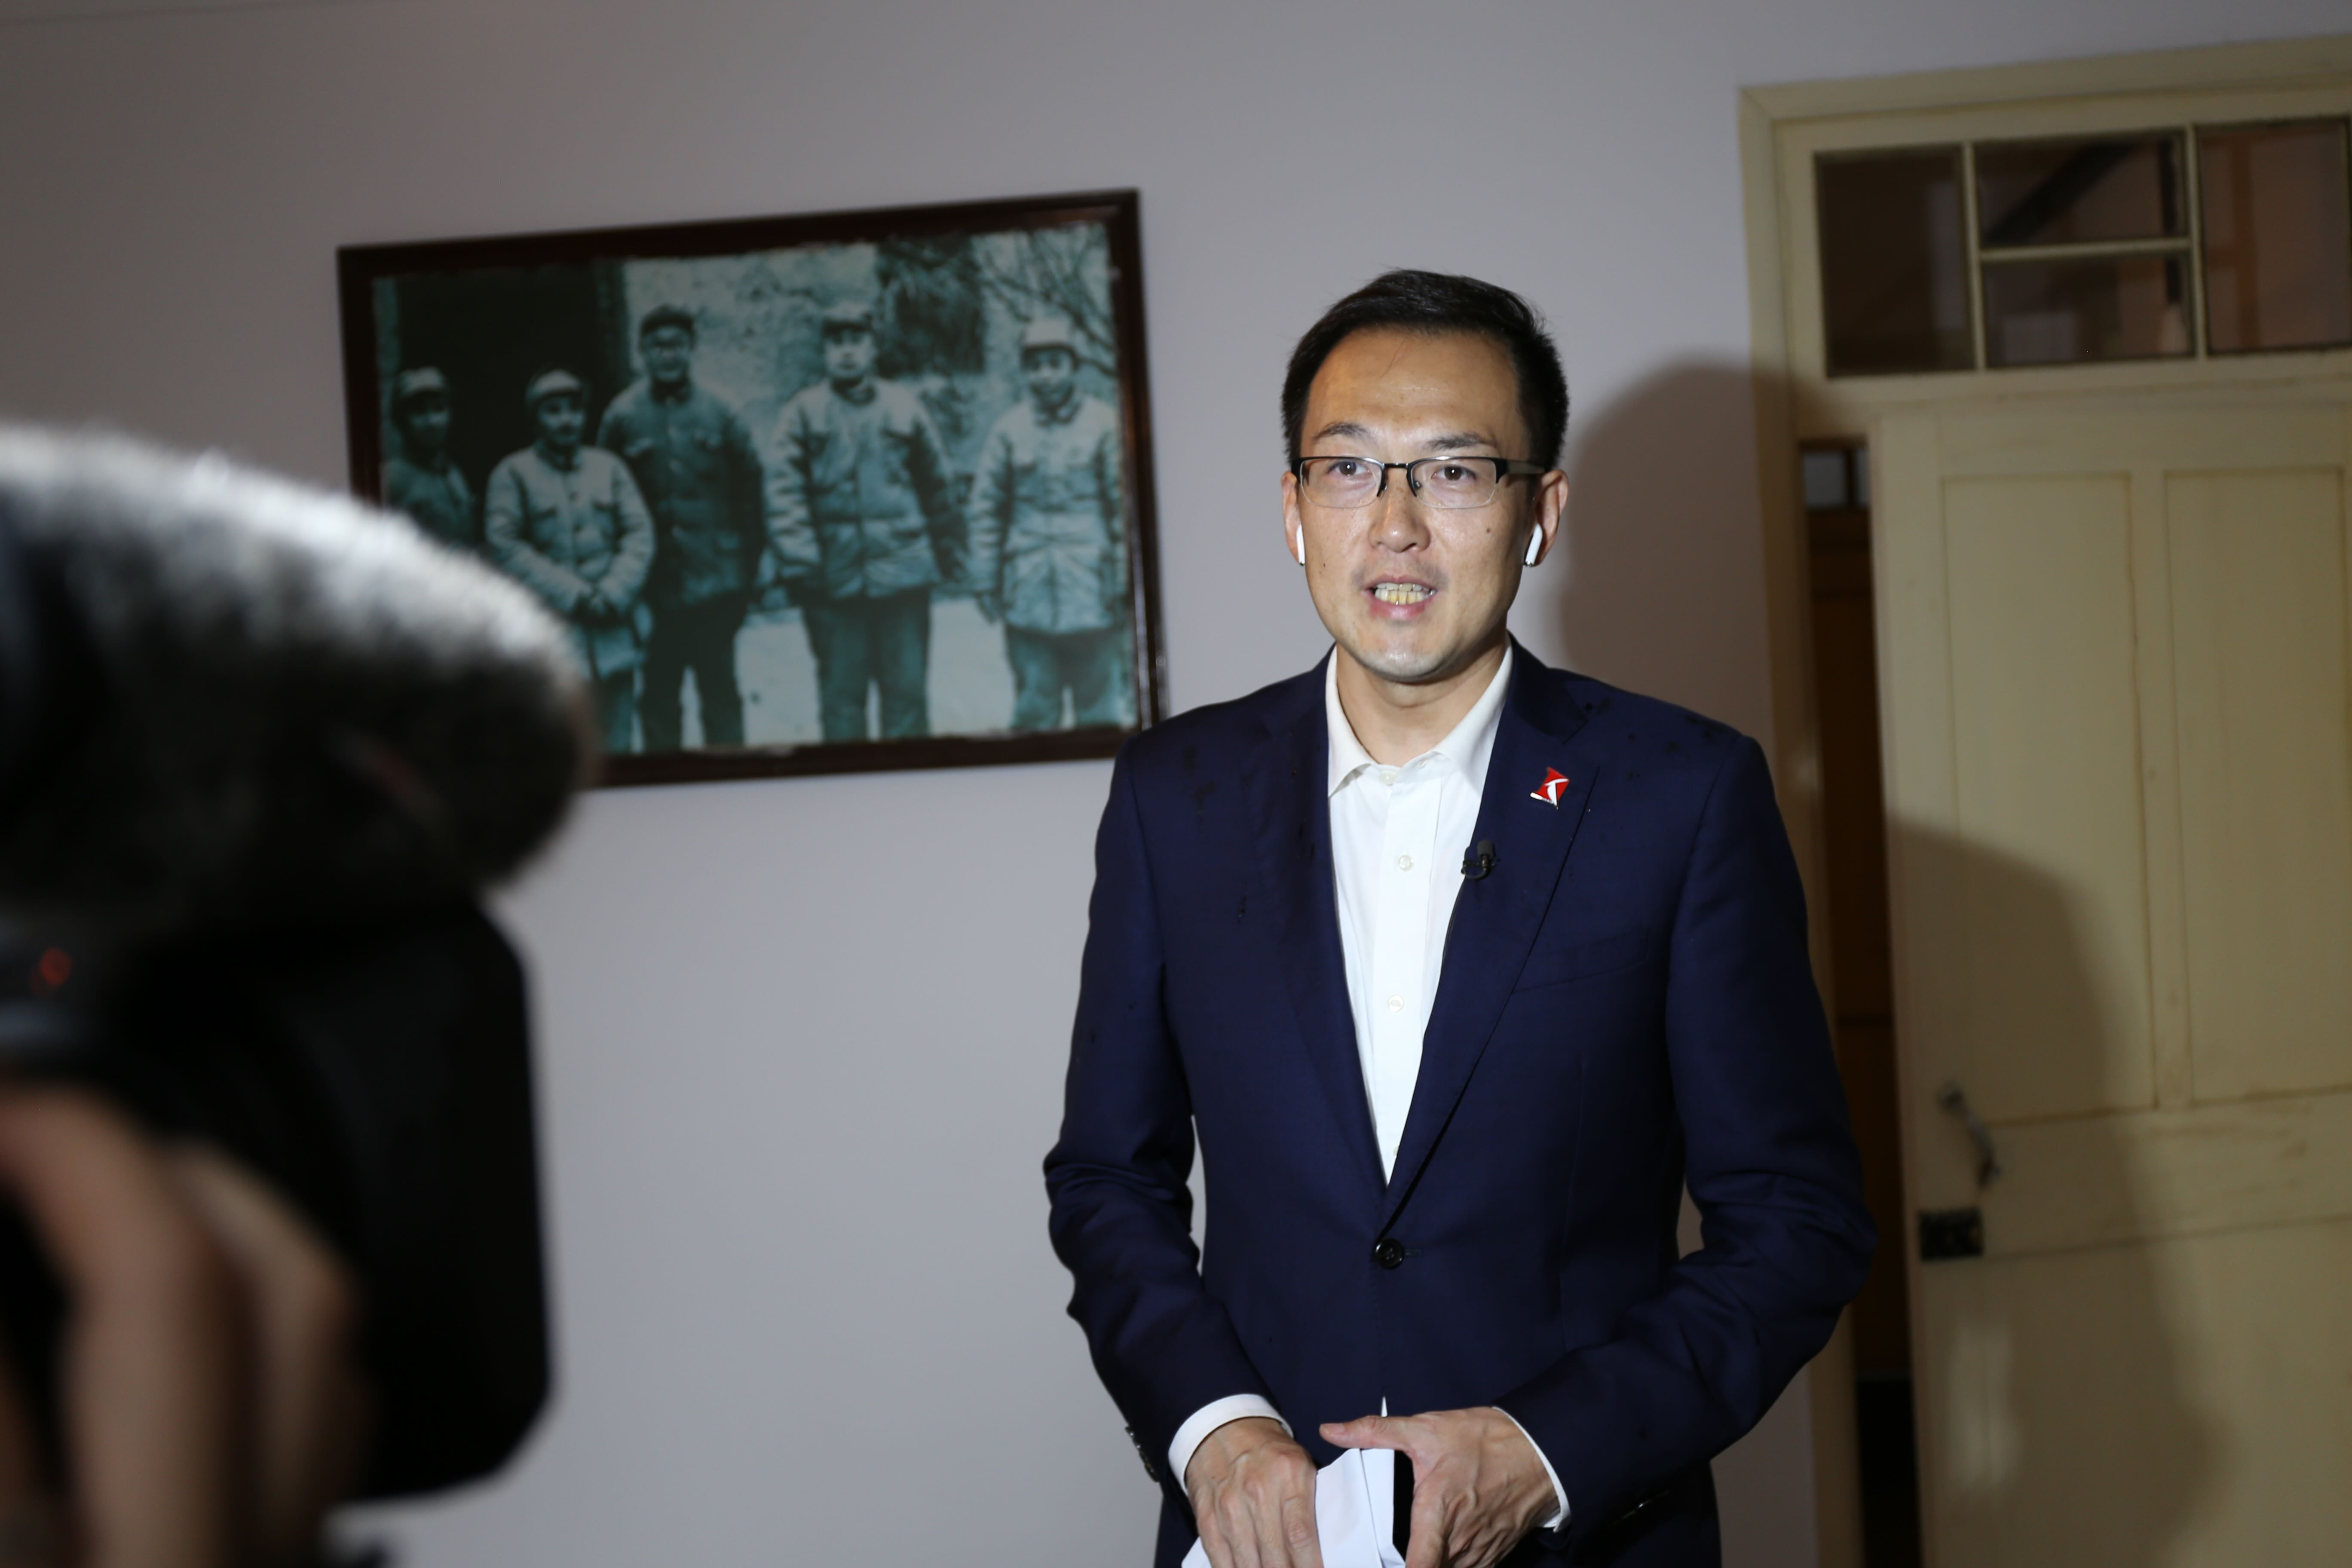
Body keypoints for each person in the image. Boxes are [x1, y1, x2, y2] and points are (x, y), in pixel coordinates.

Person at [1043, 271, 1874, 1568]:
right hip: (1269, 1539)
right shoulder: (1173, 794)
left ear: (1541, 513)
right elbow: (1108, 1178)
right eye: (1347, 469)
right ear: (1293, 510)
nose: (1395, 527)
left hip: (1582, 1539)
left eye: (1454, 472)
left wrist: (1544, 1450)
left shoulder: (1683, 795)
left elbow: (1795, 1222)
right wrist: (1215, 1430)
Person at [764, 298, 960, 742]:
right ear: (824, 351)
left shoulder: (904, 406)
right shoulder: (802, 413)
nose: (847, 351)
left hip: (903, 578)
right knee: (842, 703)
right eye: (837, 342)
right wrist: (803, 563)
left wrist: (947, 550)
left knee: (907, 698)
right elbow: (783, 491)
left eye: (857, 340)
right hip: (834, 585)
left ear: (874, 348)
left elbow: (938, 483)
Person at [598, 306, 766, 751]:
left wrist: (750, 571)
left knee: (720, 694)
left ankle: (731, 780)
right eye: (657, 346)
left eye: (676, 345)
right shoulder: (621, 416)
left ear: (692, 349)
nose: (667, 355)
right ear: (642, 352)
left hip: (716, 585)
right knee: (658, 699)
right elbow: (605, 495)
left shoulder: (723, 410)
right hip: (654, 591)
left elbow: (751, 494)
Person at [967, 315, 1130, 731]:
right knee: (1034, 711)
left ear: (1074, 366)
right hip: (1028, 598)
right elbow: (987, 509)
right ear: (1025, 372)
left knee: (1099, 715)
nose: (1046, 376)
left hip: (1094, 598)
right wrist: (985, 579)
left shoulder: (1105, 425)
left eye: (1056, 364)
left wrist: (1123, 581)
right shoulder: (1008, 431)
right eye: (1036, 366)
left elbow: (1123, 511)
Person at [485, 368, 655, 753]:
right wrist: (575, 595)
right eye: (554, 411)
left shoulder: (609, 468)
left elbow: (640, 533)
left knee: (620, 743)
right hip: (553, 640)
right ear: (535, 420)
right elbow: (506, 546)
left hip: (615, 632)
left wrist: (613, 592)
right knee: (560, 748)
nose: (566, 420)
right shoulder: (512, 475)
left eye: (575, 410)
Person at [382, 368, 476, 551]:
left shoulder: (453, 473)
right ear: (401, 421)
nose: (432, 422)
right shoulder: (392, 479)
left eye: (439, 409)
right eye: (420, 412)